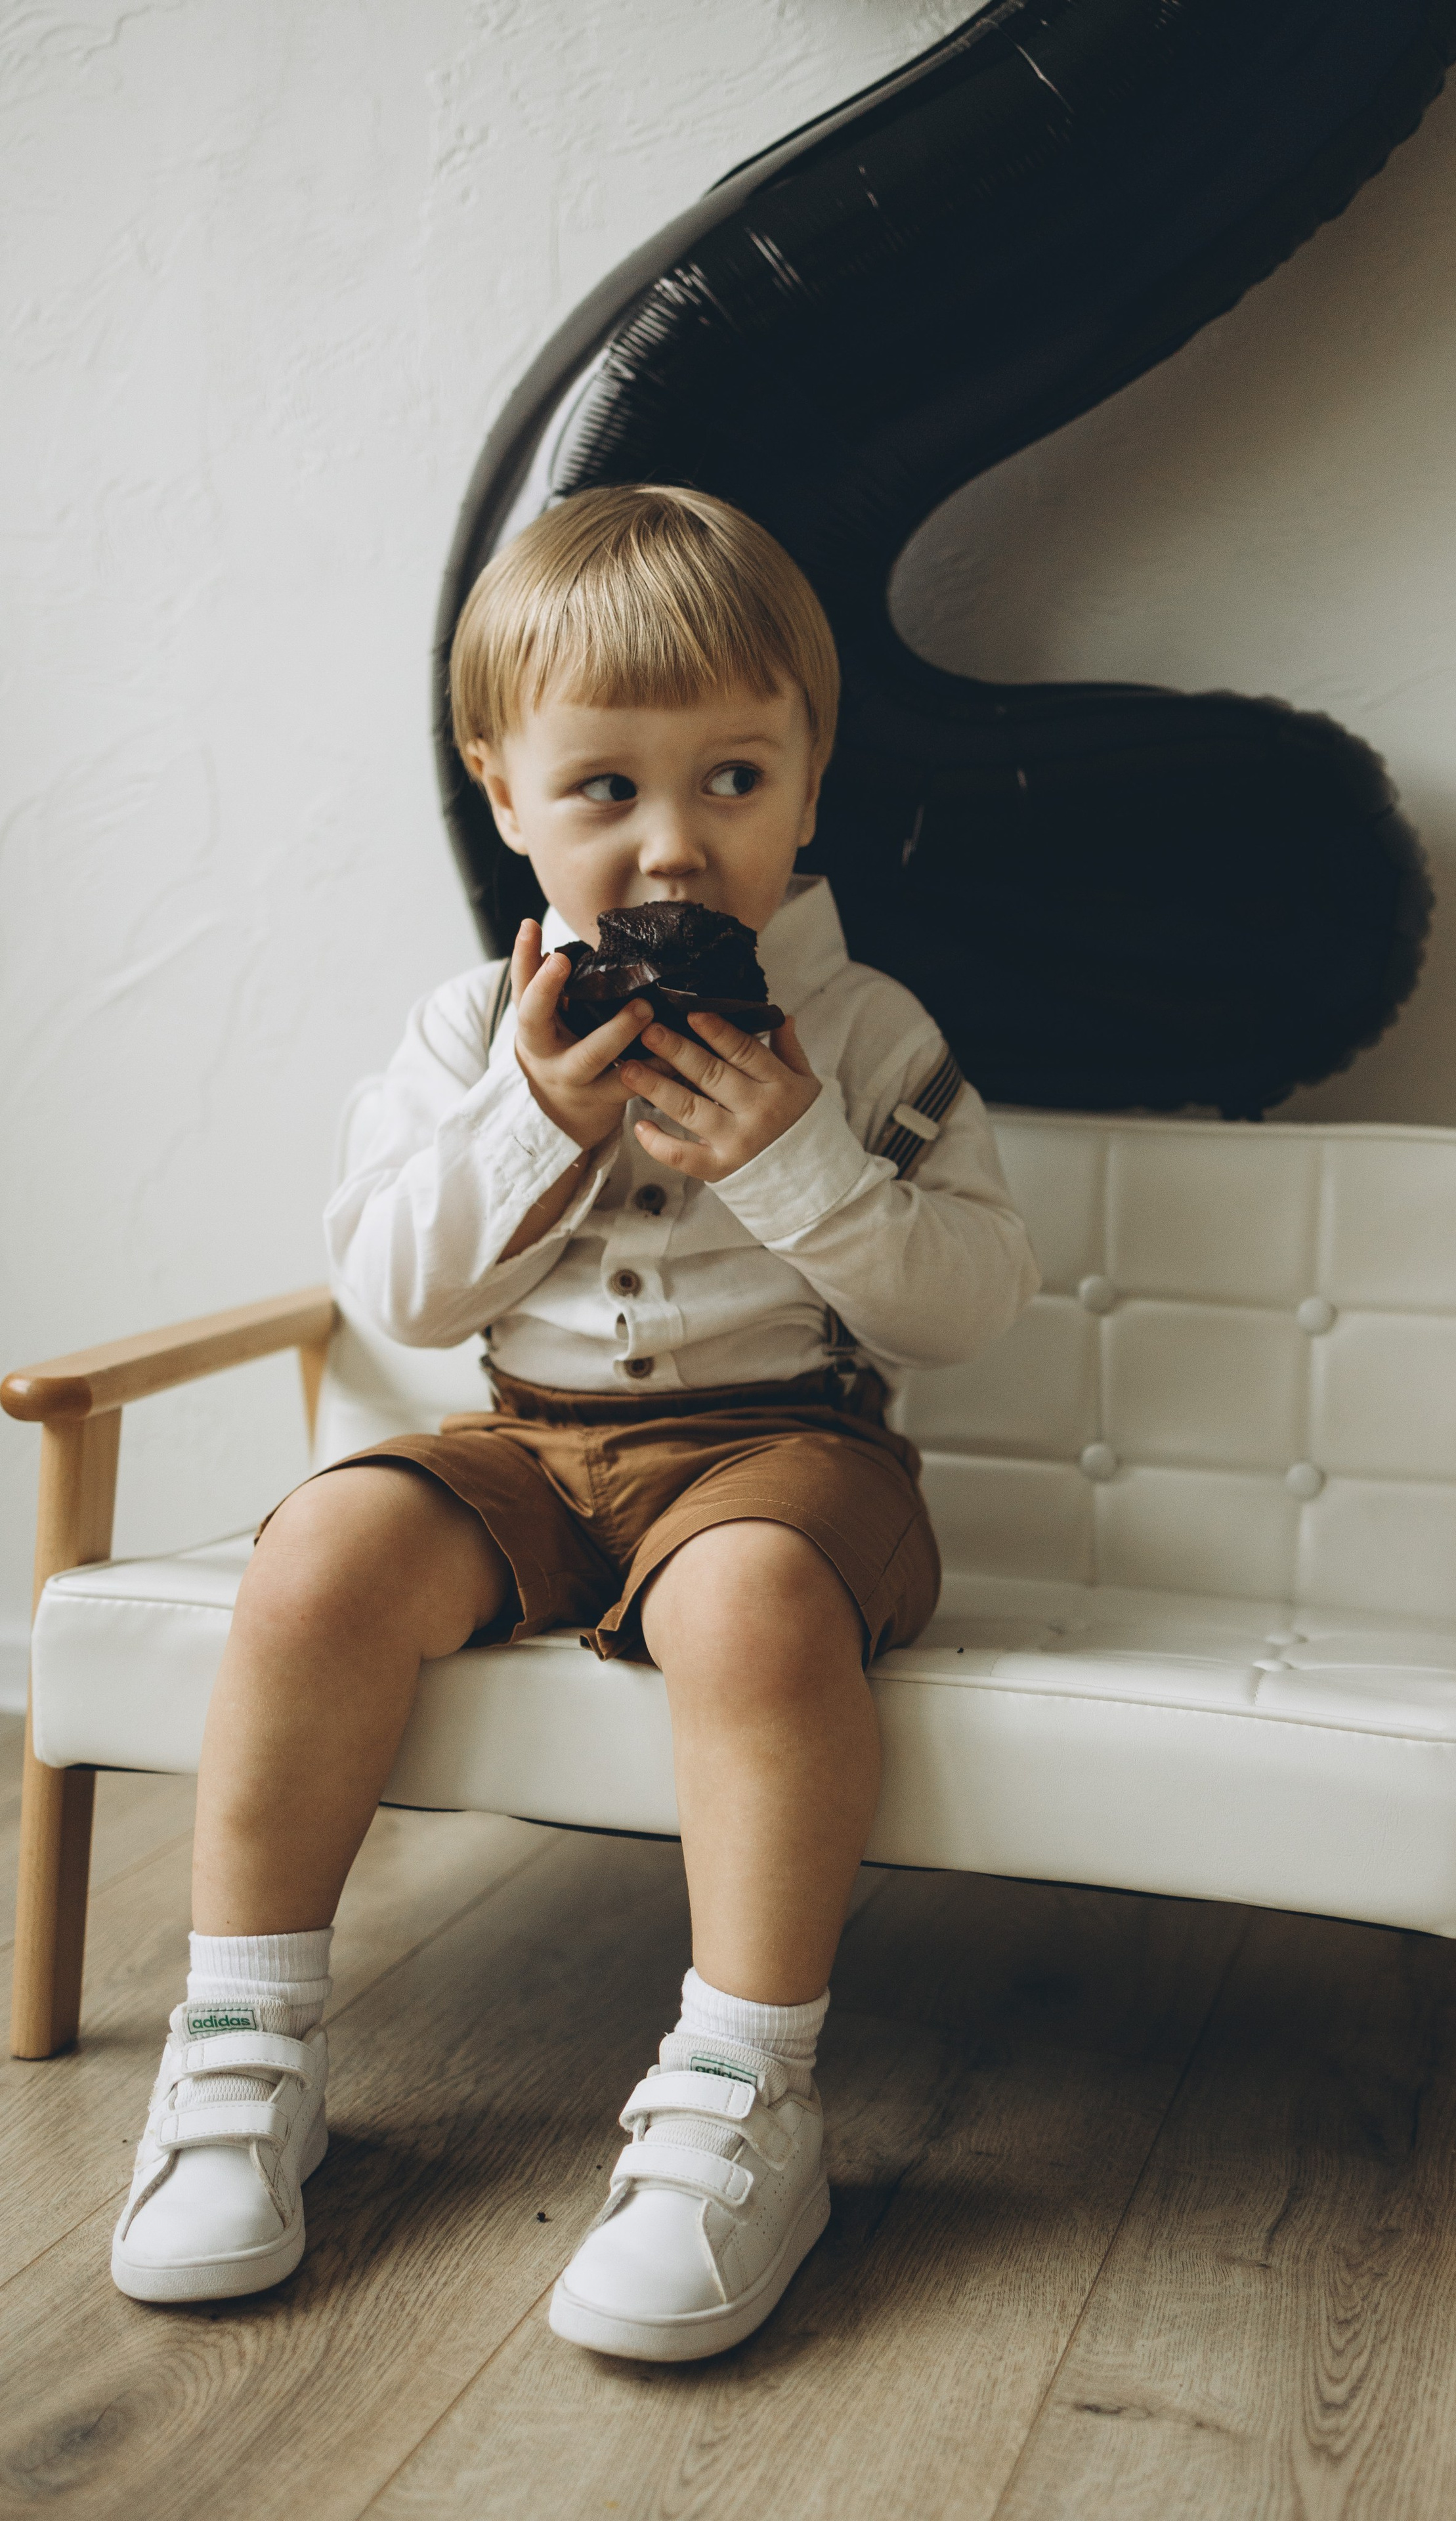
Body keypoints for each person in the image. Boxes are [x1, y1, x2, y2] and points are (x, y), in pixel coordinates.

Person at [109, 485, 1038, 2358]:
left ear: (808, 784)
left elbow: (971, 1305)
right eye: (607, 788)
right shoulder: (470, 1029)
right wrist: (534, 1114)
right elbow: (405, 1291)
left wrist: (795, 1165)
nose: (674, 844)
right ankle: (241, 2049)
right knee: (316, 1555)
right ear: (505, 791)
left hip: (796, 1454)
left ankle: (744, 2093)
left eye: (733, 782)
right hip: (528, 1440)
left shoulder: (865, 1034)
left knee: (750, 1607)